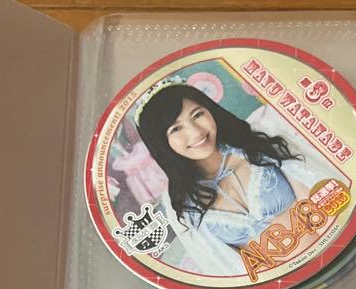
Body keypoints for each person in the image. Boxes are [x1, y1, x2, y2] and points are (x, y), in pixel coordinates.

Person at [136, 81, 331, 272]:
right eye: (176, 129)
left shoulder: (258, 145)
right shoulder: (184, 206)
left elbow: (320, 200)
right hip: (284, 288)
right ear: (161, 142)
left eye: (197, 115)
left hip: (329, 255)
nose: (196, 132)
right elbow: (227, 267)